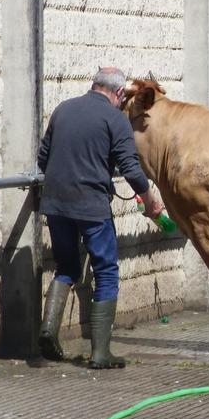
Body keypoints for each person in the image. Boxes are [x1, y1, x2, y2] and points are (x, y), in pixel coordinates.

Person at [37, 67, 164, 368]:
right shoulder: (114, 120)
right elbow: (132, 169)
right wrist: (150, 201)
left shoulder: (63, 110)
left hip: (55, 204)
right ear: (119, 94)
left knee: (66, 267)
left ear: (93, 85)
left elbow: (43, 158)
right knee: (106, 270)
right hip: (91, 207)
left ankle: (48, 331)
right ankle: (100, 353)